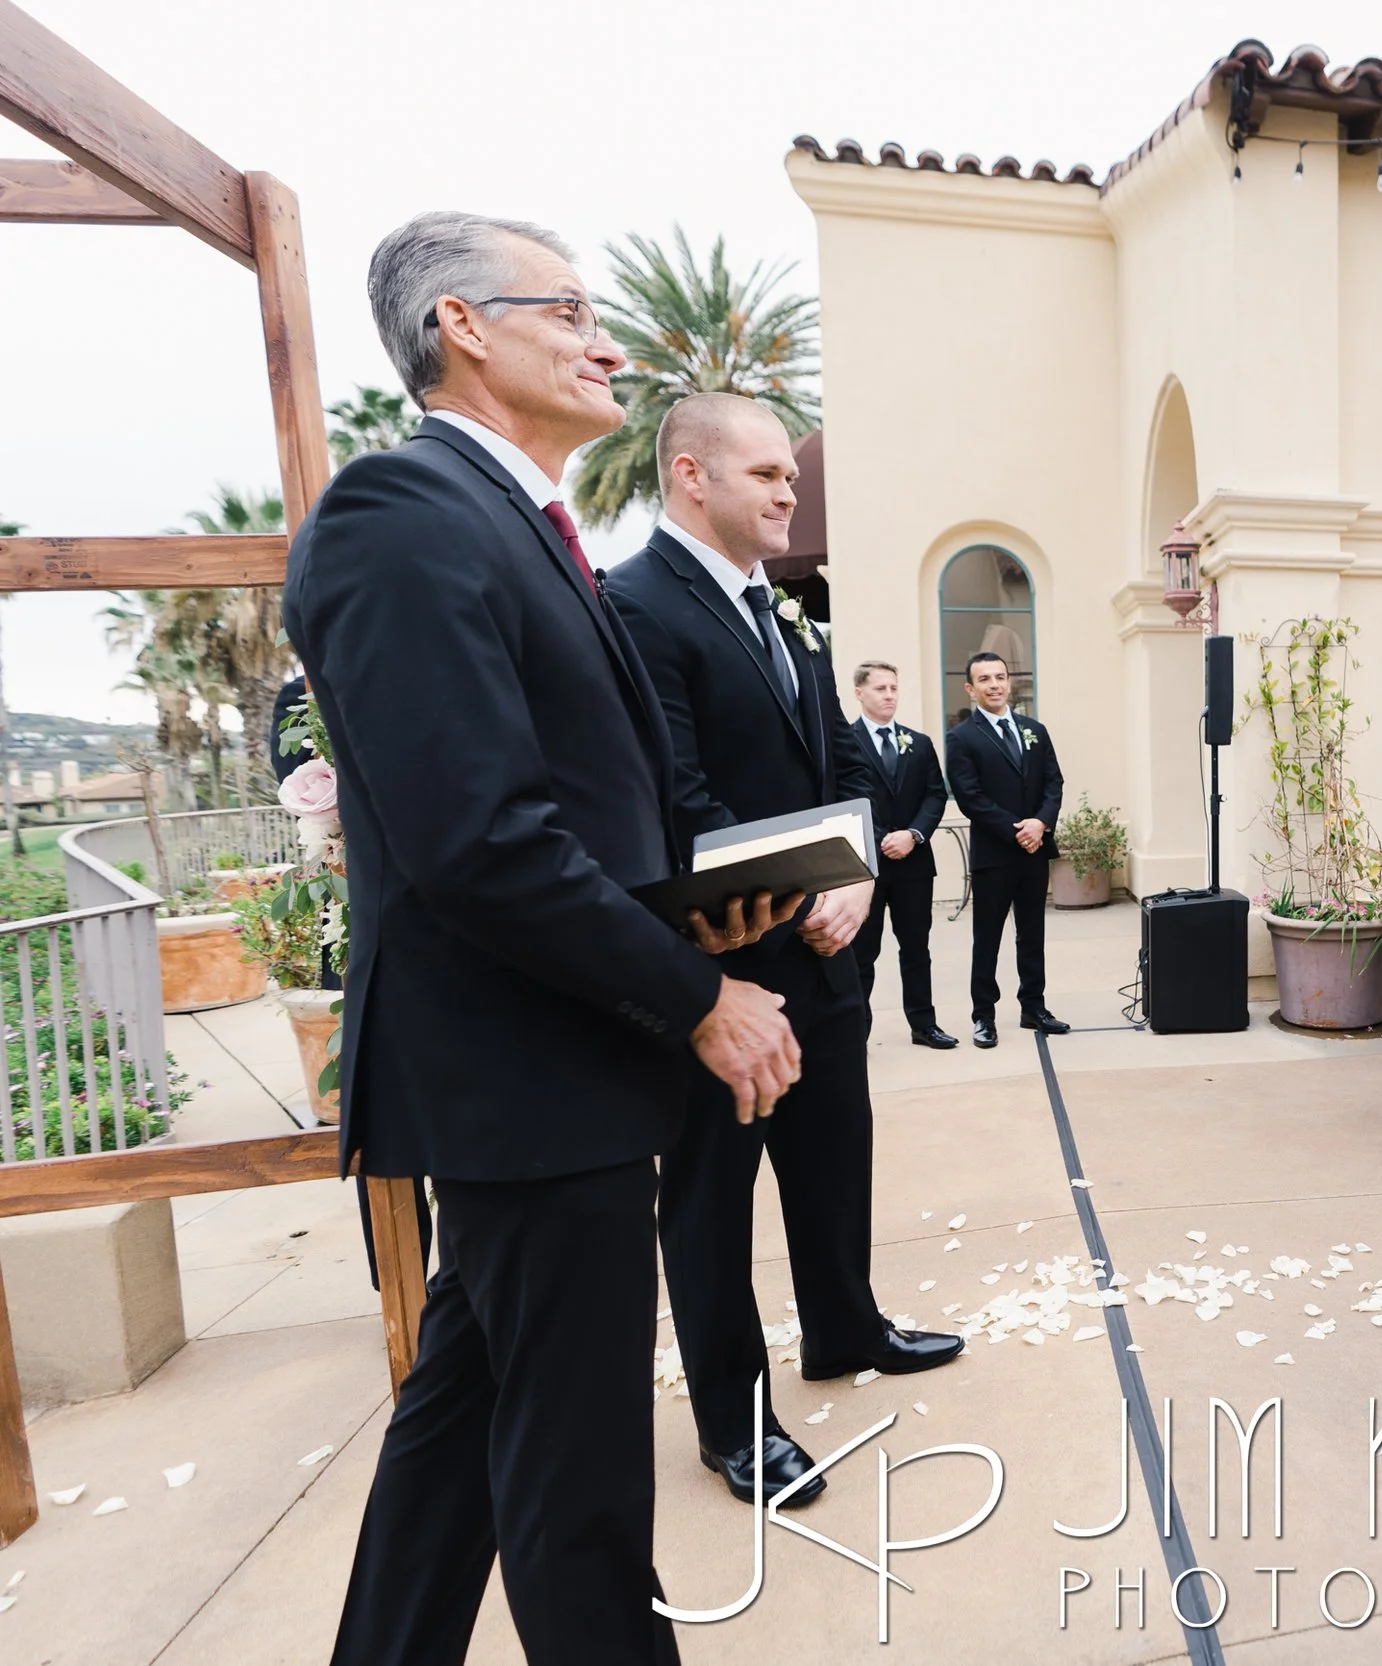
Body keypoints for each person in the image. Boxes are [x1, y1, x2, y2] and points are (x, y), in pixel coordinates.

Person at [287, 211, 803, 1665]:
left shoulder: (521, 525)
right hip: (524, 1079)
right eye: (569, 309)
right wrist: (695, 994)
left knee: (457, 1437)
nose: (606, 343)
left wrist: (711, 904)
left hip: (554, 1072)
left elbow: (578, 805)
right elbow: (480, 840)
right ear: (461, 324)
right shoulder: (399, 514)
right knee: (579, 1490)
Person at [604, 394, 963, 1512]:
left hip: (826, 956)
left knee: (834, 1155)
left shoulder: (789, 615)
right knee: (712, 1201)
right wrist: (809, 890)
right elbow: (676, 800)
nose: (787, 491)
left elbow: (847, 764)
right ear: (690, 475)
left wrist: (856, 877)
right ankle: (734, 1421)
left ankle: (846, 1328)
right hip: (721, 970)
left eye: (788, 476)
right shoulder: (633, 606)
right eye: (764, 473)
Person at [945, 651, 1067, 1047]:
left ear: (1009, 682)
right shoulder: (961, 737)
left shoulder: (1035, 730)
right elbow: (970, 797)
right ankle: (984, 1016)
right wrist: (1017, 831)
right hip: (995, 854)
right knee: (987, 939)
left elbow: (1054, 782)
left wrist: (1040, 824)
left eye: (999, 676)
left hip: (1035, 850)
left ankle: (1034, 1007)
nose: (994, 684)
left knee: (1032, 934)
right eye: (984, 679)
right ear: (971, 688)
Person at [849, 659, 955, 1049]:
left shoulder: (920, 743)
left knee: (916, 949)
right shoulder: (844, 741)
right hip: (867, 866)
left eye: (894, 688)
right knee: (861, 953)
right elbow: (843, 796)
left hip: (914, 864)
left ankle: (924, 1025)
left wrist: (913, 834)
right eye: (881, 688)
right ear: (860, 693)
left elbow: (935, 794)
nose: (889, 695)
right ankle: (855, 1032)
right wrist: (881, 839)